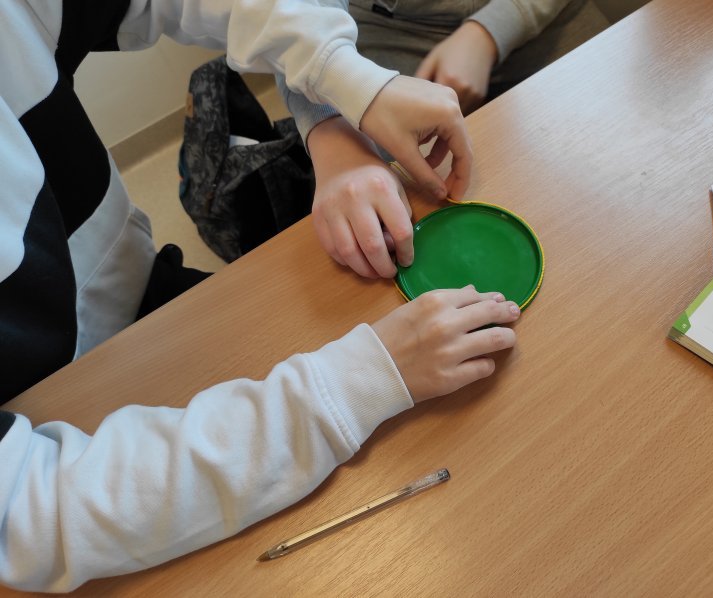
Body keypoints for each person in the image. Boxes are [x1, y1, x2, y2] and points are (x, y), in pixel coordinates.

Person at [0, 0, 519, 591]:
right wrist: (360, 384)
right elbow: (31, 519)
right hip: (66, 437)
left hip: (138, 299)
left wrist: (341, 96)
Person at [279, 0, 608, 279]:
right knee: (371, 222)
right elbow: (284, 17)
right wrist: (331, 131)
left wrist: (489, 31)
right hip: (367, 32)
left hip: (551, 17)